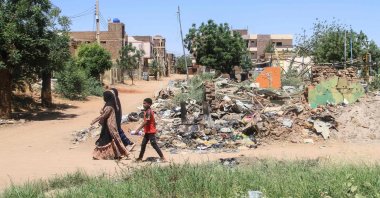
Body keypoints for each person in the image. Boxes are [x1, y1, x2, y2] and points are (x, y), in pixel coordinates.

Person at [91, 91, 129, 160]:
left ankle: (103, 155)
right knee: (109, 139)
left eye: (104, 96)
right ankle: (115, 154)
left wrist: (94, 120)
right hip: (107, 125)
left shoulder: (109, 106)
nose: (103, 98)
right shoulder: (110, 104)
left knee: (107, 139)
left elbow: (104, 115)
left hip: (109, 126)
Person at [134, 98, 166, 162]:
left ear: (149, 104)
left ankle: (163, 157)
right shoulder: (147, 111)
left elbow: (146, 122)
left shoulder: (148, 111)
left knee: (153, 144)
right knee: (143, 144)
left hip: (151, 131)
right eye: (143, 103)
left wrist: (138, 129)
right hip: (147, 131)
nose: (143, 104)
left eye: (145, 103)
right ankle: (140, 158)